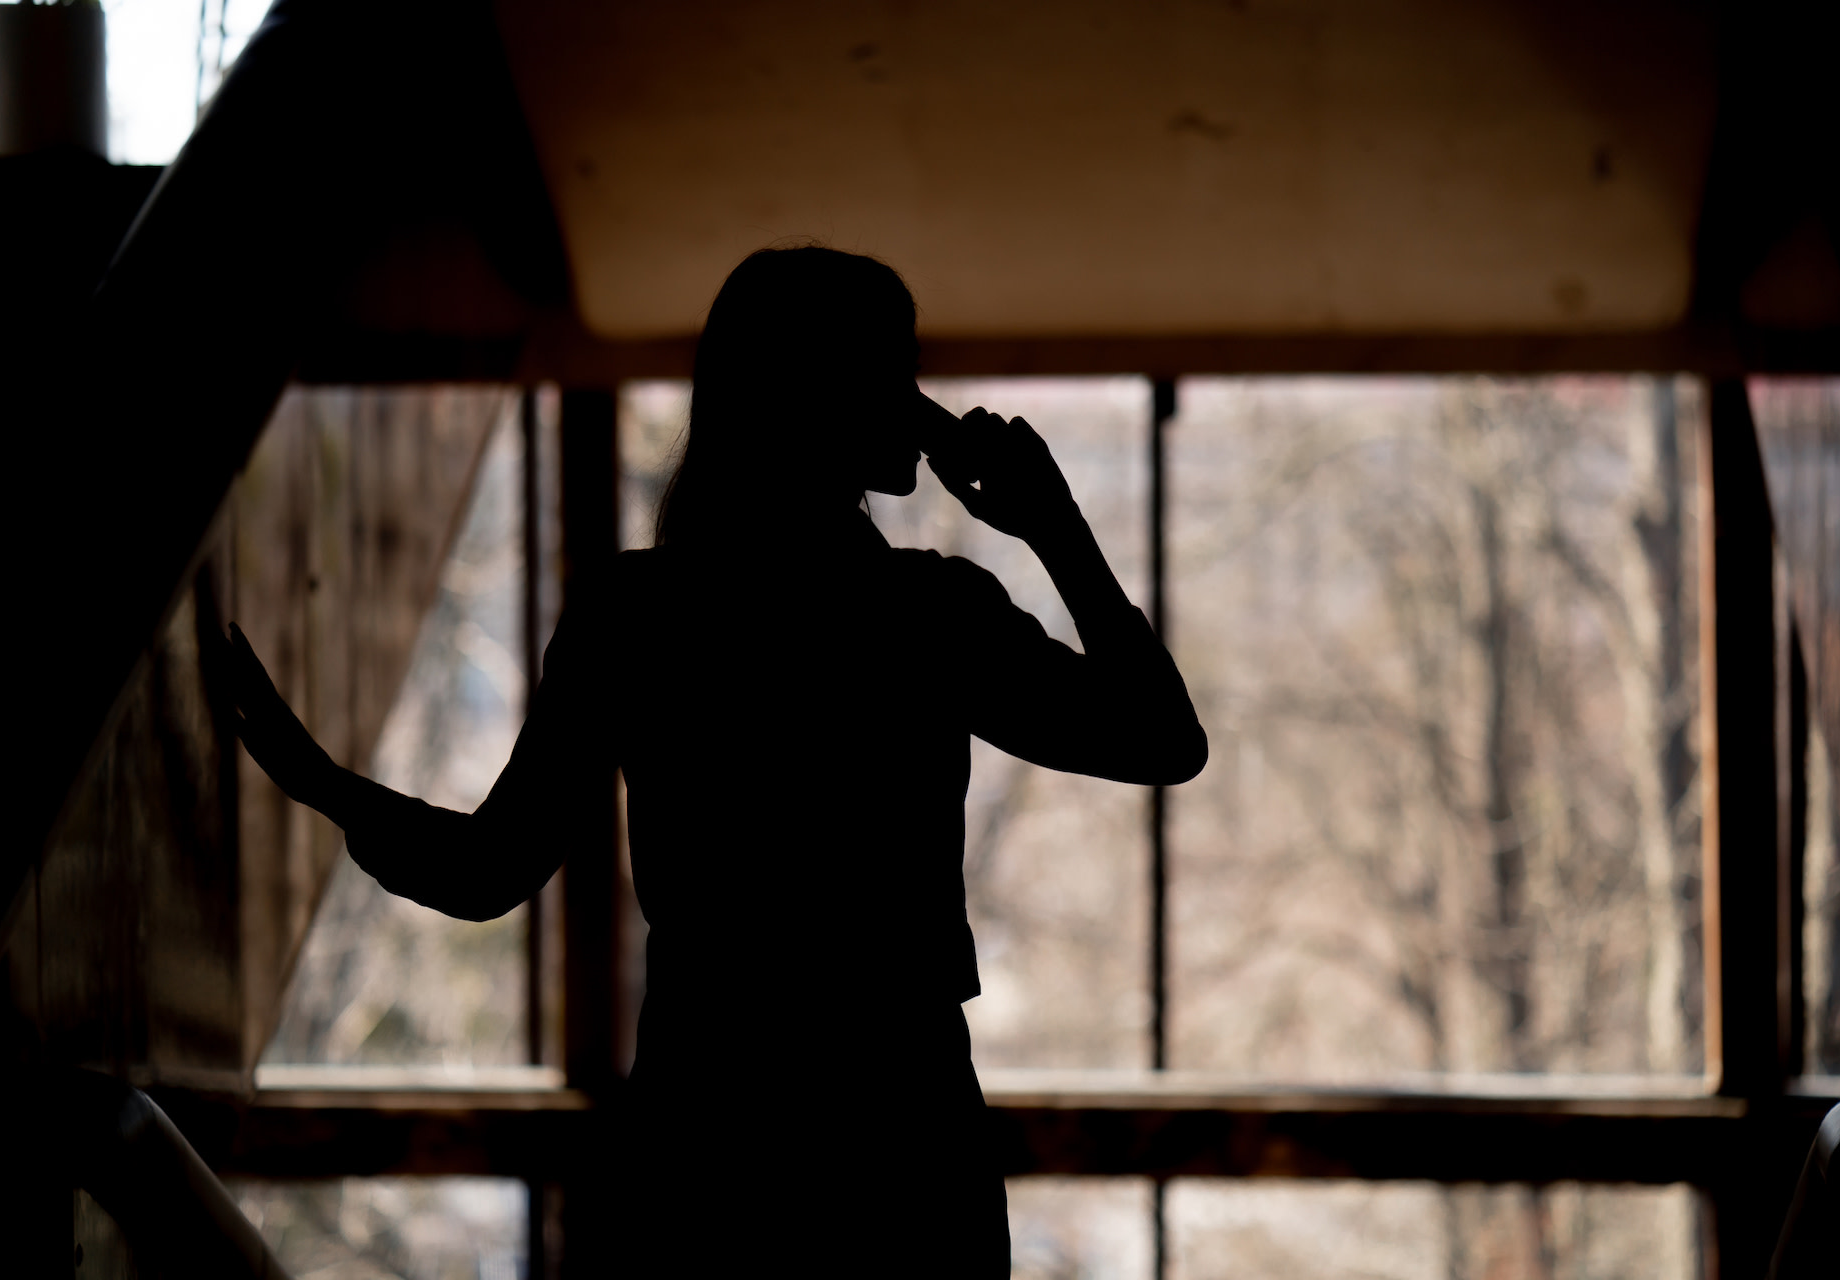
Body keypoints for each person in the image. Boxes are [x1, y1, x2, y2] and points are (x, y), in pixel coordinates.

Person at [228, 245, 1207, 1276]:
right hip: (902, 1136)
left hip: (705, 1128)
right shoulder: (926, 616)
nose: (919, 405)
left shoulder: (638, 614)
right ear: (821, 396)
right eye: (894, 371)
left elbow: (488, 869)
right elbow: (1162, 738)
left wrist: (327, 787)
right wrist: (1053, 526)